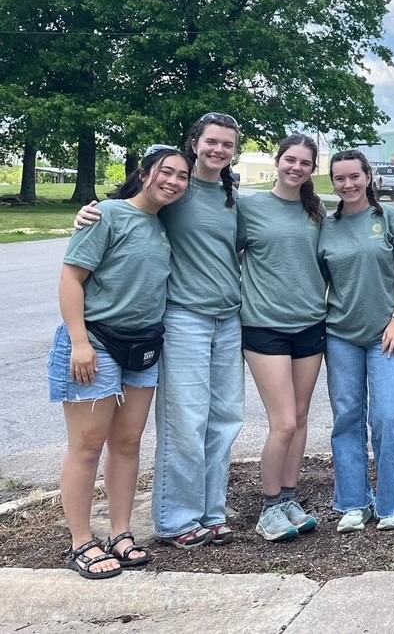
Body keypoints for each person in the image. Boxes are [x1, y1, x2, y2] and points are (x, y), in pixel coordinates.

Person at [76, 112, 246, 549]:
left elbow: (239, 250)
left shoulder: (232, 197)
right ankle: (177, 519)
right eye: (211, 141)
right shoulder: (176, 190)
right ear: (195, 142)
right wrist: (88, 215)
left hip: (228, 319)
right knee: (186, 419)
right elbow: (133, 206)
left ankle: (212, 512)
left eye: (227, 144)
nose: (219, 150)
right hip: (185, 317)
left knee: (225, 419)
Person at [51, 145, 192, 579]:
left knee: (128, 443)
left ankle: (120, 533)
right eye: (165, 172)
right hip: (96, 342)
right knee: (88, 444)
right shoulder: (107, 215)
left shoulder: (165, 224)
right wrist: (80, 342)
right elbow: (71, 278)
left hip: (142, 347)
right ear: (144, 173)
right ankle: (81, 542)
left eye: (182, 176)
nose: (173, 181)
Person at [319, 150, 394, 533]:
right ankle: (353, 503)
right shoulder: (326, 226)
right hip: (340, 335)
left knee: (388, 415)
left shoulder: (390, 218)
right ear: (333, 182)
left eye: (354, 176)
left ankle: (390, 505)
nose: (348, 184)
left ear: (368, 176)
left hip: (385, 335)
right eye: (340, 178)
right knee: (347, 418)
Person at [237, 134, 328, 542]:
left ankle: (290, 498)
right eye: (290, 159)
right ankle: (269, 507)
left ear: (312, 169)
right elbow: (222, 250)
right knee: (284, 421)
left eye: (305, 163)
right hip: (265, 327)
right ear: (278, 161)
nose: (296, 168)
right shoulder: (249, 207)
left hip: (310, 324)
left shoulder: (316, 212)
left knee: (302, 416)